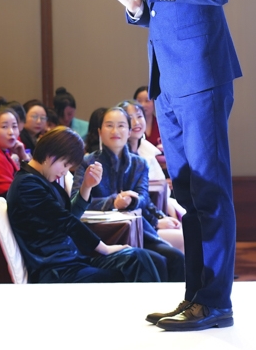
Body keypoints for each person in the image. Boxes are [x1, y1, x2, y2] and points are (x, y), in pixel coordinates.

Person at [114, 0, 241, 330]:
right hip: (166, 82)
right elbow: (166, 10)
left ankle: (217, 303)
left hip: (202, 77)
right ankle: (195, 299)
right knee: (187, 194)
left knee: (210, 191)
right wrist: (135, 7)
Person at [5, 127, 161, 283]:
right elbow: (67, 221)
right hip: (55, 271)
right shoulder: (27, 185)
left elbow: (69, 216)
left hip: (70, 262)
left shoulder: (40, 180)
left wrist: (87, 186)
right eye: (65, 164)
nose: (65, 172)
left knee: (138, 257)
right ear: (49, 155)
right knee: (128, 272)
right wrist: (104, 248)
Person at [73, 105, 185, 282]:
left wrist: (132, 201)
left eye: (121, 125)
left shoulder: (139, 163)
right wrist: (113, 202)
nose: (115, 131)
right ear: (100, 131)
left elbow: (144, 197)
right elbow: (76, 200)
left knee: (176, 258)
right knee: (158, 261)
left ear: (129, 131)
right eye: (109, 125)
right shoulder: (88, 162)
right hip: (101, 235)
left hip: (138, 233)